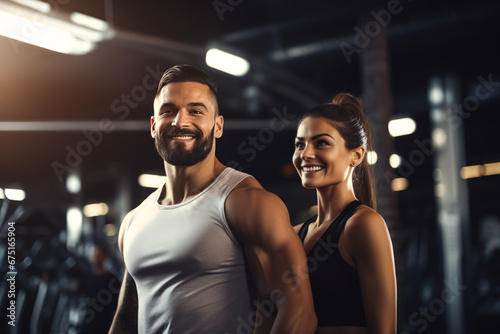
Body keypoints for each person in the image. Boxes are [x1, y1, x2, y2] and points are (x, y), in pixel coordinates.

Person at [109, 64, 316, 334]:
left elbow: (298, 312)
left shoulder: (247, 202)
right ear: (153, 125)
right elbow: (126, 319)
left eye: (195, 111)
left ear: (218, 126)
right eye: (168, 111)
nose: (179, 122)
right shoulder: (133, 221)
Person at [292, 93, 397, 333]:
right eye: (300, 144)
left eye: (321, 143)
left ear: (356, 155)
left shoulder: (364, 224)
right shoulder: (295, 233)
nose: (305, 154)